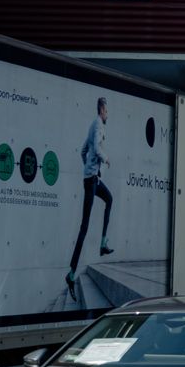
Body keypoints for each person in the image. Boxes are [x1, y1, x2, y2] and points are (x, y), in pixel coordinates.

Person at [66, 97, 115, 296]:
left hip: (93, 179)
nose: (108, 114)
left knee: (109, 199)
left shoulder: (92, 125)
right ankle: (71, 273)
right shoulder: (98, 126)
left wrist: (90, 169)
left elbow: (83, 151)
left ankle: (103, 244)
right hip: (91, 182)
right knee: (84, 227)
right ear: (102, 110)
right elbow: (94, 148)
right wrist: (105, 159)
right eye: (107, 111)